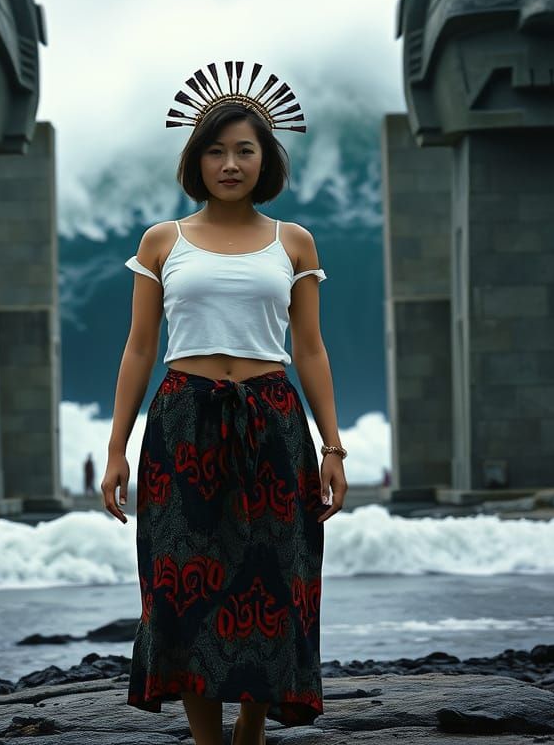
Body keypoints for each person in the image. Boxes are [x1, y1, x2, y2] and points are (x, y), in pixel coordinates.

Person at [101, 62, 348, 745]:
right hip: (184, 420)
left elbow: (311, 349)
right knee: (182, 584)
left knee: (273, 578)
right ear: (196, 159)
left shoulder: (293, 241)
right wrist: (117, 449)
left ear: (266, 159)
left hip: (273, 422)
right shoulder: (162, 241)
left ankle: (252, 728)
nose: (230, 164)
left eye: (244, 150)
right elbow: (139, 349)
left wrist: (332, 446)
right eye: (215, 150)